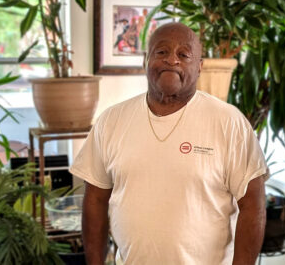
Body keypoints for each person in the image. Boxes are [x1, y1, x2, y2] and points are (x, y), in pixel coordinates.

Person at [69, 22, 269, 265]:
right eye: (161, 52)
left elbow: (253, 205)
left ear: (199, 67)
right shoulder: (111, 121)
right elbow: (95, 201)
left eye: (183, 55)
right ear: (146, 60)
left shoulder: (229, 123)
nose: (171, 60)